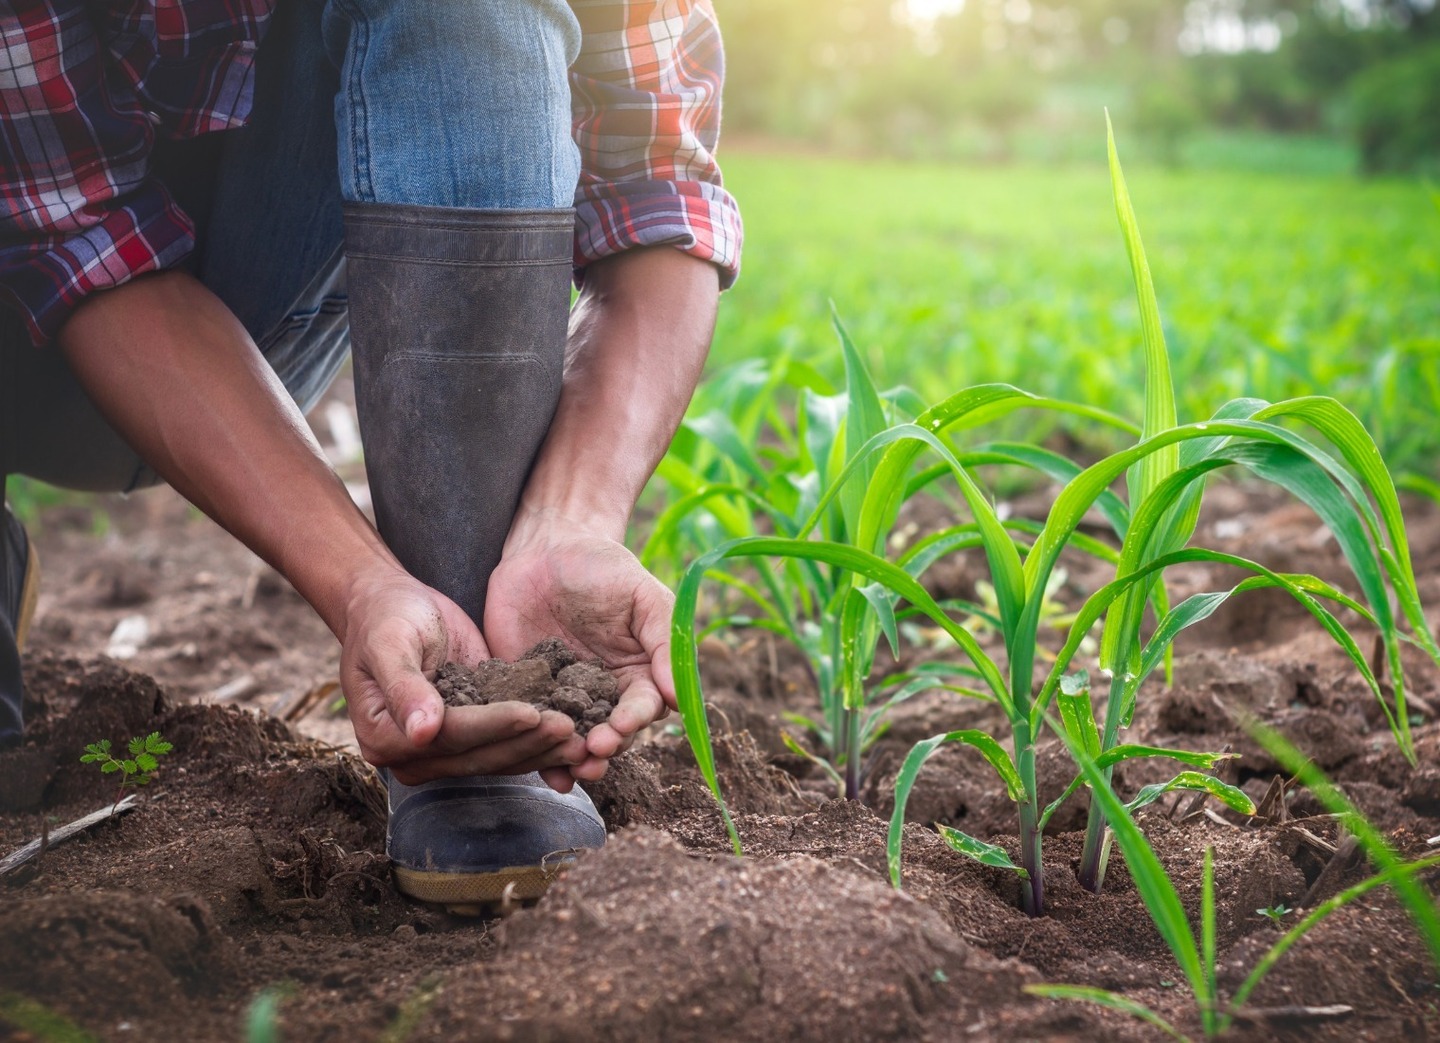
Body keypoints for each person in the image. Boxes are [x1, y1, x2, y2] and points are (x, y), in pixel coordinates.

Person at [0, 0, 741, 907]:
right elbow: (75, 235)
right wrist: (353, 580)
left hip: (238, 297)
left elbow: (660, 190)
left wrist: (569, 517)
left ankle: (465, 676)